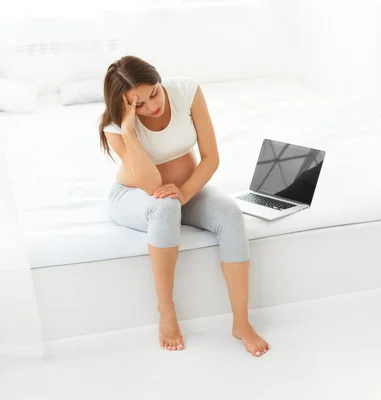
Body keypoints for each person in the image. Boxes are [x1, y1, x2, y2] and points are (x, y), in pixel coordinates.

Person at [98, 55, 269, 357]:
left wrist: (187, 193)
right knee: (164, 208)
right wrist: (129, 131)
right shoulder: (115, 126)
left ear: (158, 80)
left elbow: (211, 158)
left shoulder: (185, 91)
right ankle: (167, 313)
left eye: (153, 93)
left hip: (184, 193)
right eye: (138, 105)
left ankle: (241, 323)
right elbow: (151, 185)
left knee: (229, 212)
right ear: (124, 106)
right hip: (133, 197)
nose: (152, 106)